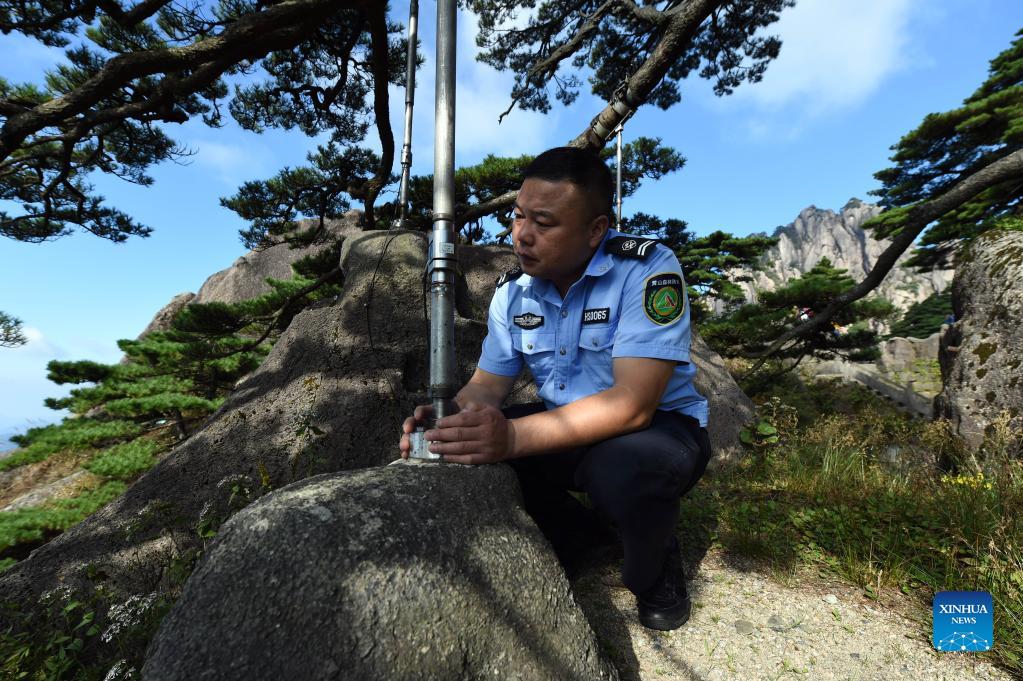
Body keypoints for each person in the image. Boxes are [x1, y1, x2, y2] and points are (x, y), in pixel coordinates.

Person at [399, 146, 711, 631]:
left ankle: (654, 570)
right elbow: (487, 386)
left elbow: (633, 406)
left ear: (595, 230)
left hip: (658, 430)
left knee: (624, 472)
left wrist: (512, 439)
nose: (521, 234)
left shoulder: (646, 269)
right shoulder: (514, 292)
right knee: (465, 443)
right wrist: (446, 420)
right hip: (566, 423)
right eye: (518, 215)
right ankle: (579, 534)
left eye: (543, 223)